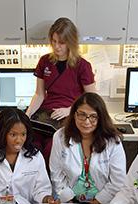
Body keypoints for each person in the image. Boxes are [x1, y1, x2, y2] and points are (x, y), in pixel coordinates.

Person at [26, 17, 96, 159]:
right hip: (46, 116)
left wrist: (70, 110)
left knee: (52, 148)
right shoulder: (44, 61)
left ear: (71, 42)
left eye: (62, 43)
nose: (57, 46)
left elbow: (92, 99)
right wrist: (27, 115)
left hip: (69, 117)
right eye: (54, 41)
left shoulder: (83, 66)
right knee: (31, 146)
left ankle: (52, 181)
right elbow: (39, 95)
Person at [0, 108, 59, 204]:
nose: (19, 140)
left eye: (23, 134)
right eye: (13, 135)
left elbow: (41, 189)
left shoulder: (34, 156)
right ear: (2, 133)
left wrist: (46, 199)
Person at [49, 92, 126, 204]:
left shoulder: (112, 141)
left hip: (103, 202)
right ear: (74, 114)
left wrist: (99, 201)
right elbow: (56, 172)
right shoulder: (60, 136)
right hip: (70, 201)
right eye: (82, 115)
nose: (86, 121)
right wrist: (67, 198)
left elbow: (118, 181)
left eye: (93, 116)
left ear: (100, 118)